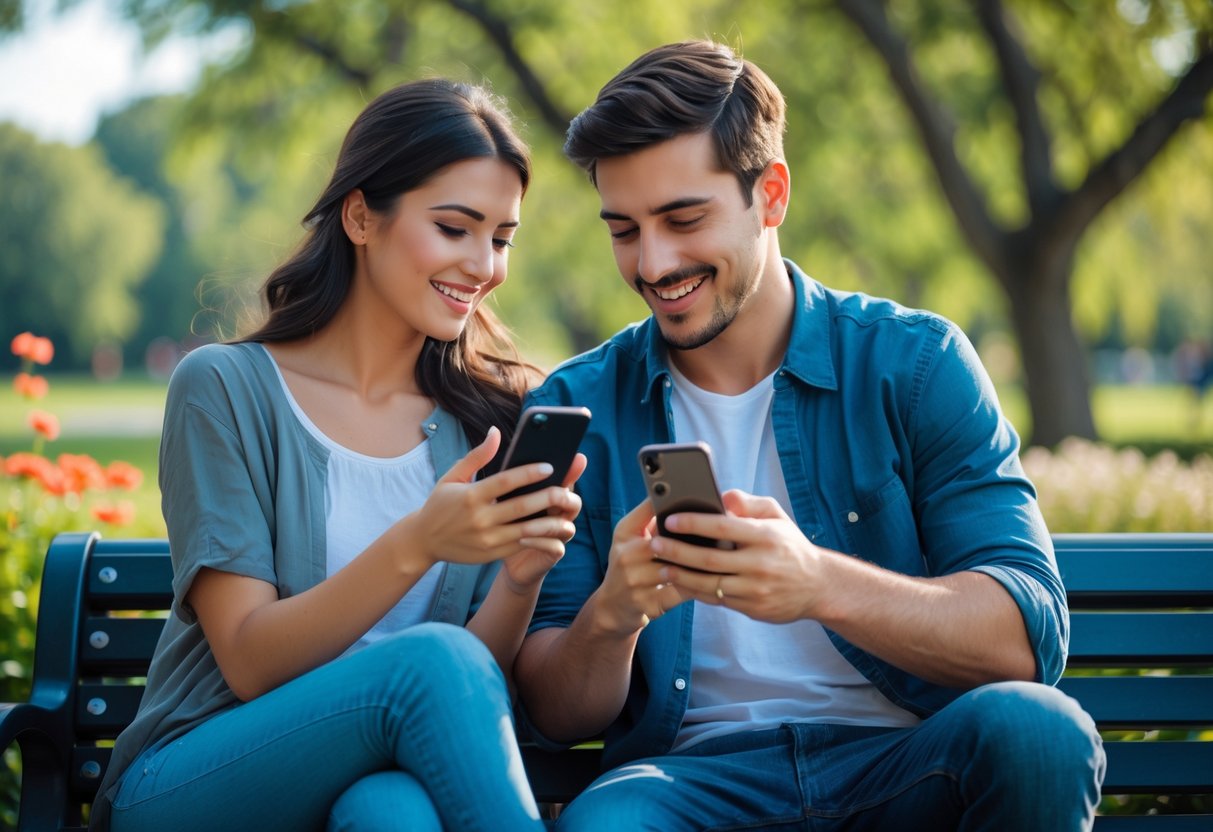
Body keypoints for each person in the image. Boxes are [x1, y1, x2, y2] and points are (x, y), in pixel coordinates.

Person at [515, 41, 1105, 831]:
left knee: (1038, 734)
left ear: (771, 195)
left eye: (683, 218)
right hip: (690, 783)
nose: (653, 263)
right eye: (623, 229)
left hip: (903, 764)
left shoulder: (916, 366)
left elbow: (1026, 637)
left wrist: (818, 583)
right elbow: (556, 712)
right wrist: (614, 614)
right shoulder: (579, 404)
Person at [91, 79, 583, 832]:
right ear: (360, 216)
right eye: (455, 228)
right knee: (431, 661)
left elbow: (475, 686)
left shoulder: (484, 417)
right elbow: (250, 660)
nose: (484, 265)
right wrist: (419, 542)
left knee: (394, 814)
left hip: (377, 777)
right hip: (195, 777)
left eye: (502, 238)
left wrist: (519, 578)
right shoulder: (224, 389)